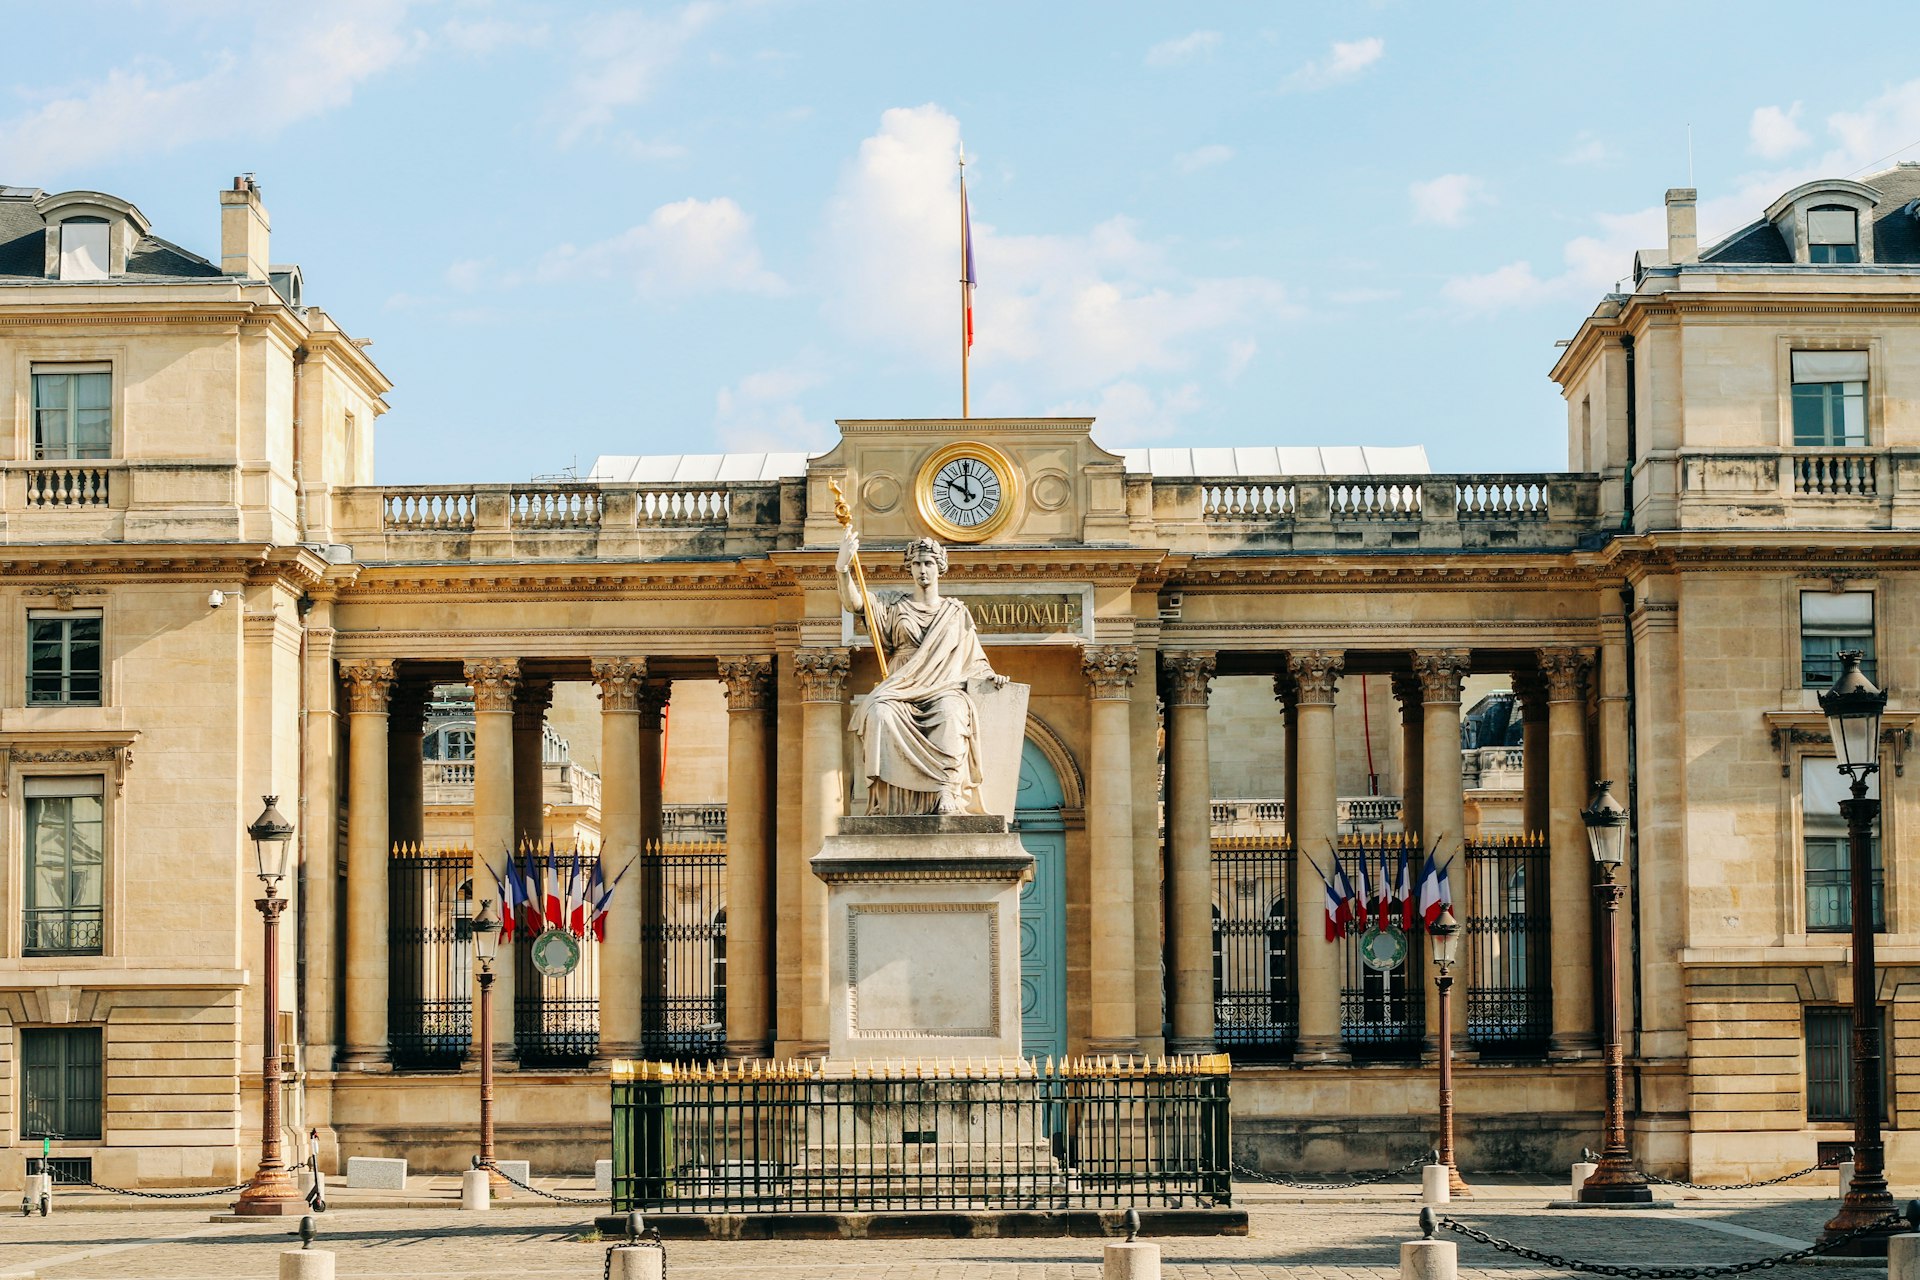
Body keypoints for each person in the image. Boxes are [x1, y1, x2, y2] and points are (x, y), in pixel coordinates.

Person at [836, 528, 1006, 814]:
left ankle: (945, 791)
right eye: (916, 564)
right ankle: (889, 803)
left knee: (951, 713)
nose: (922, 570)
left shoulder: (955, 611)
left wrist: (989, 676)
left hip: (943, 686)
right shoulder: (894, 605)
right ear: (909, 568)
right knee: (879, 712)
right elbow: (856, 604)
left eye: (928, 563)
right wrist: (843, 568)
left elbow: (973, 658)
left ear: (940, 567)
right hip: (901, 685)